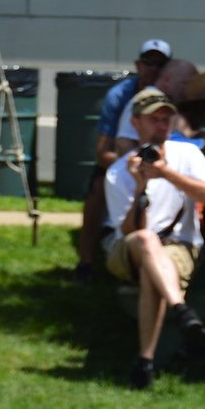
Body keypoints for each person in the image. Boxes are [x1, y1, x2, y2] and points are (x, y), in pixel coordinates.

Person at [101, 86, 205, 388]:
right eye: (154, 119)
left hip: (178, 247)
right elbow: (128, 231)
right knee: (145, 240)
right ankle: (181, 309)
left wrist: (166, 174)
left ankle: (145, 362)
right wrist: (141, 187)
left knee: (152, 267)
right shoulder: (118, 171)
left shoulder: (188, 154)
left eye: (167, 118)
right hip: (128, 248)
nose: (162, 125)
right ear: (136, 123)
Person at [77, 38, 169, 282]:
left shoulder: (172, 95)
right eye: (148, 62)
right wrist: (128, 166)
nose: (153, 69)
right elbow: (103, 151)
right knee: (97, 189)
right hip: (127, 165)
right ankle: (85, 261)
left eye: (160, 64)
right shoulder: (119, 95)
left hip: (161, 165)